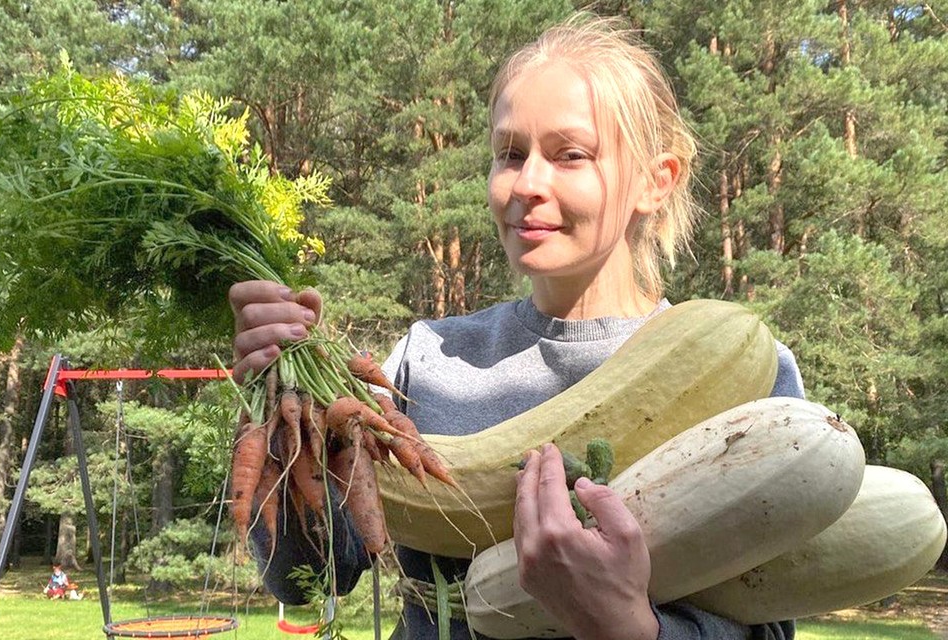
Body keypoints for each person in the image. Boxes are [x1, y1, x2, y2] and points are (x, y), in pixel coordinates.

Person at [230, 12, 804, 640]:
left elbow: (769, 616)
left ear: (654, 180)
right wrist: (281, 415)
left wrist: (630, 627)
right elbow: (309, 578)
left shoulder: (747, 369)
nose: (527, 183)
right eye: (510, 153)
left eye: (571, 155)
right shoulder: (427, 359)